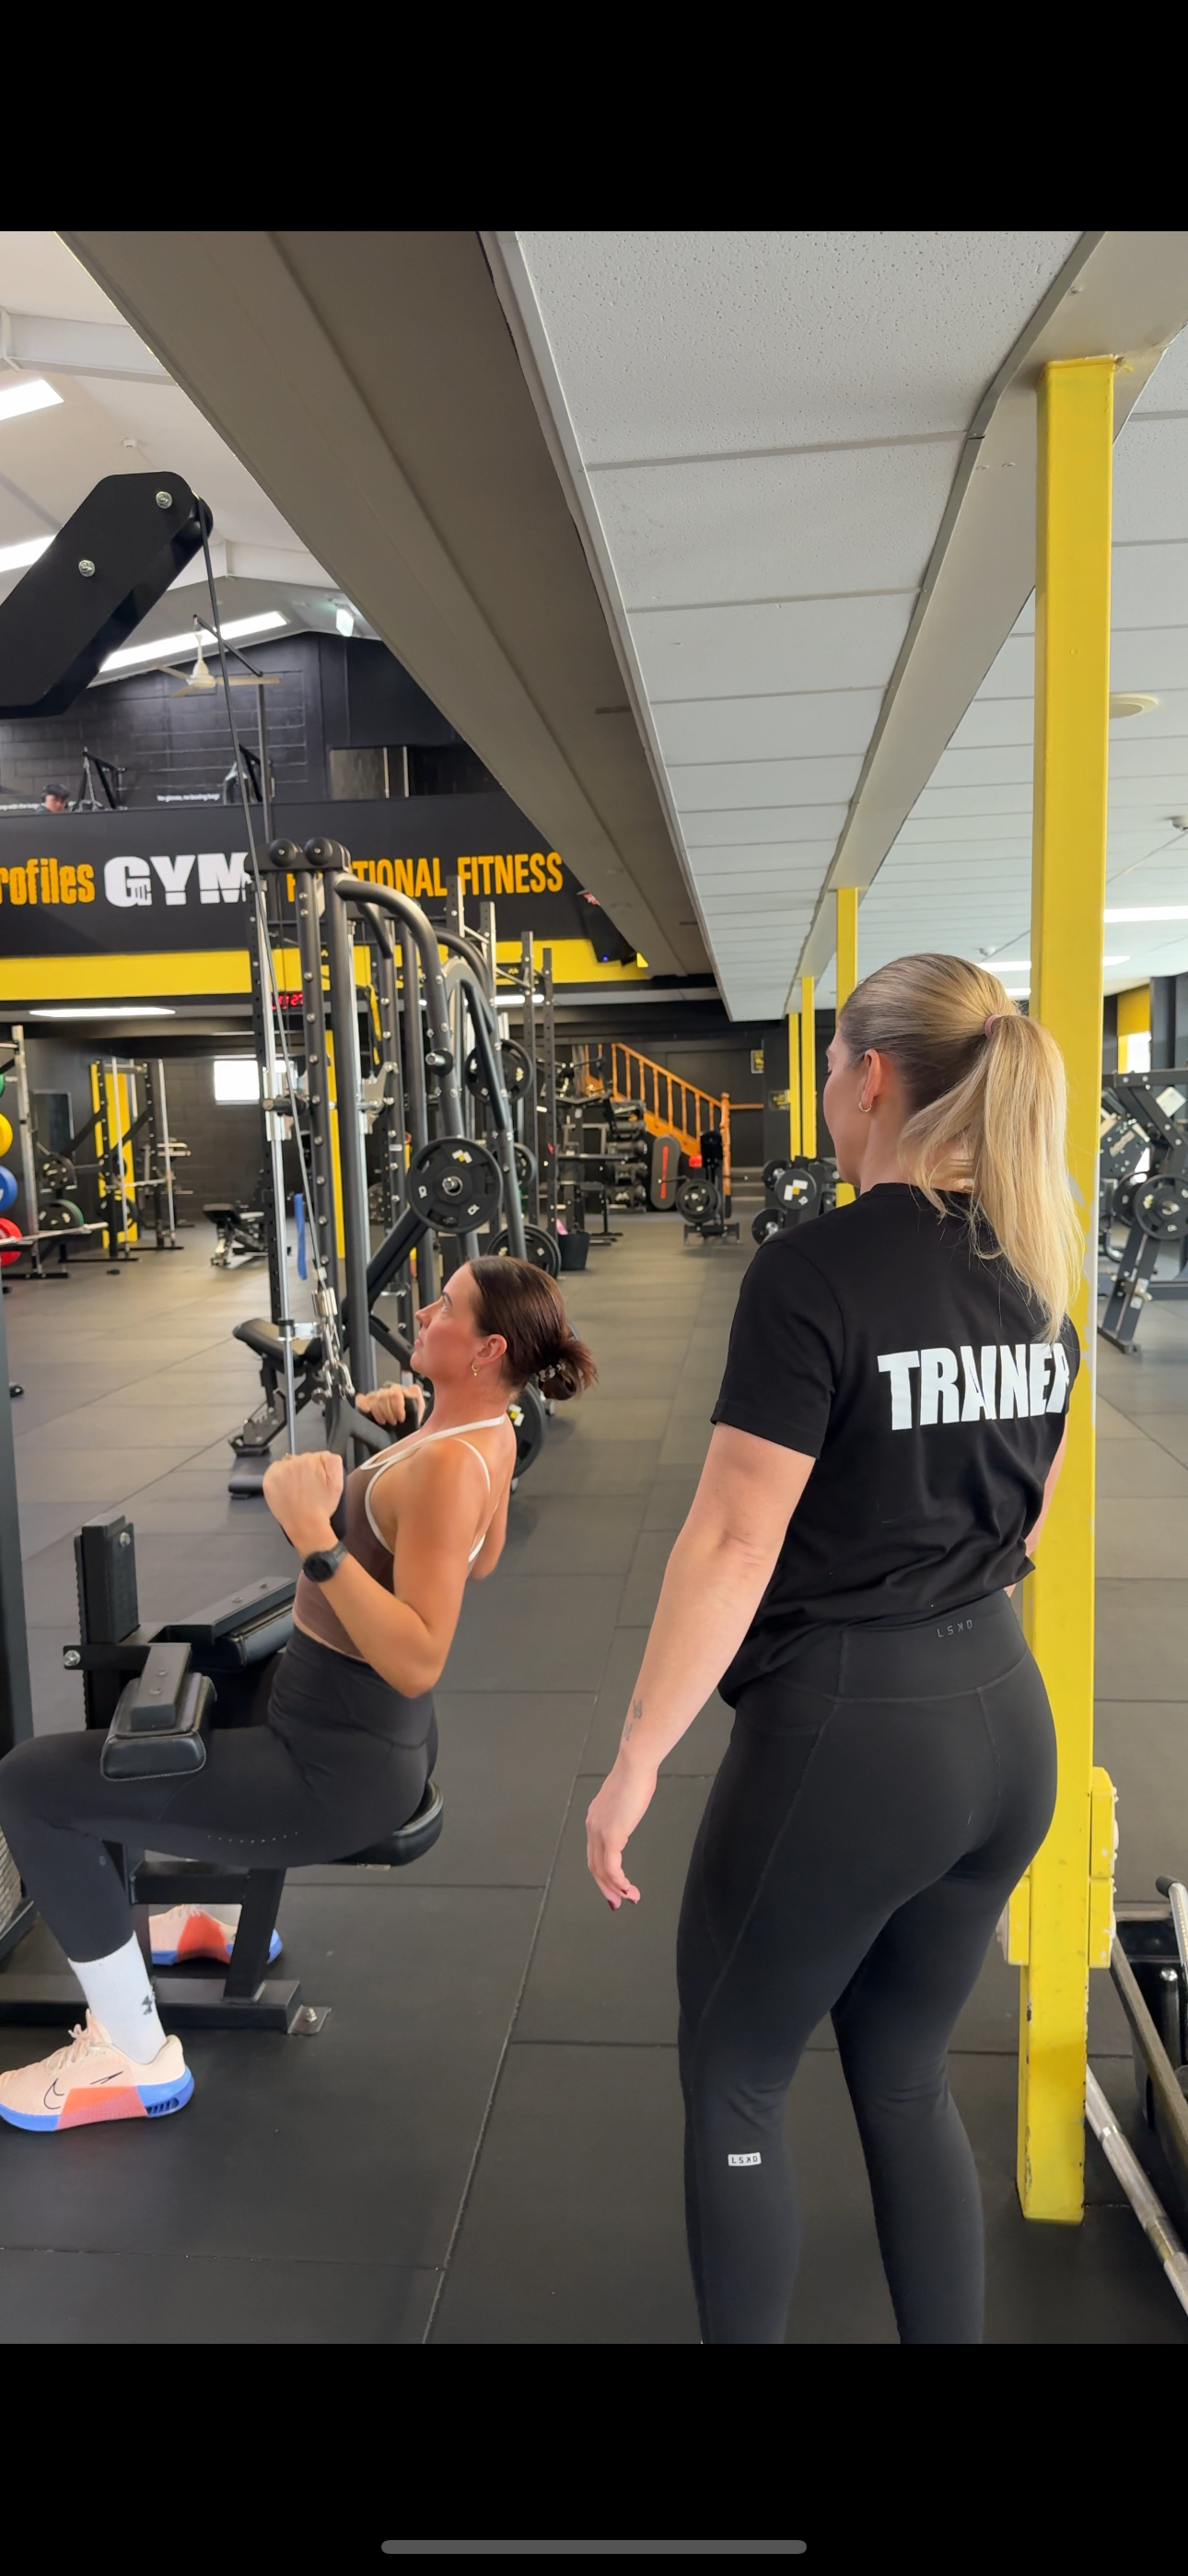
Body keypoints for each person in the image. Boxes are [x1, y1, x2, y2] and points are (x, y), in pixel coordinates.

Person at [586, 954, 1082, 2345]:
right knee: (907, 2077)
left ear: (868, 1078)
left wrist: (635, 1760)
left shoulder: (813, 1270)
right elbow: (1035, 1518)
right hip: (1005, 1721)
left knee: (736, 2080)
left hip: (858, 1738)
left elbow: (733, 1543)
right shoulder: (1036, 1264)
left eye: (823, 1071)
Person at [0, 1259, 594, 2133]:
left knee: (32, 1784)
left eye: (446, 1305)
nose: (424, 1311)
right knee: (182, 1684)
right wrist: (411, 1432)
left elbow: (420, 1657)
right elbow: (483, 1555)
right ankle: (207, 1917)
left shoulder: (451, 1465)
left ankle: (131, 2057)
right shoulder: (485, 1430)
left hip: (328, 1770)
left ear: (487, 1349)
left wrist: (316, 1537)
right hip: (349, 1725)